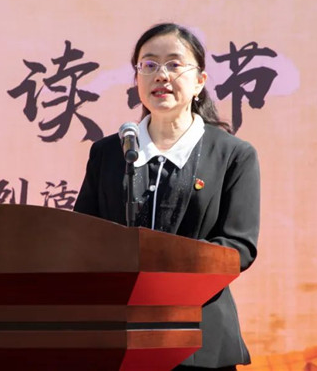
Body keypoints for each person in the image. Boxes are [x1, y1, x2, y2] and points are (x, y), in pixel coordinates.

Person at [74, 22, 260, 370]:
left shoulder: (233, 155)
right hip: (117, 337)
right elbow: (82, 236)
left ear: (200, 81)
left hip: (201, 339)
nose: (161, 75)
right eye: (149, 64)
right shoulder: (109, 153)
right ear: (137, 79)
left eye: (174, 64)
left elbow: (239, 247)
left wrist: (163, 272)